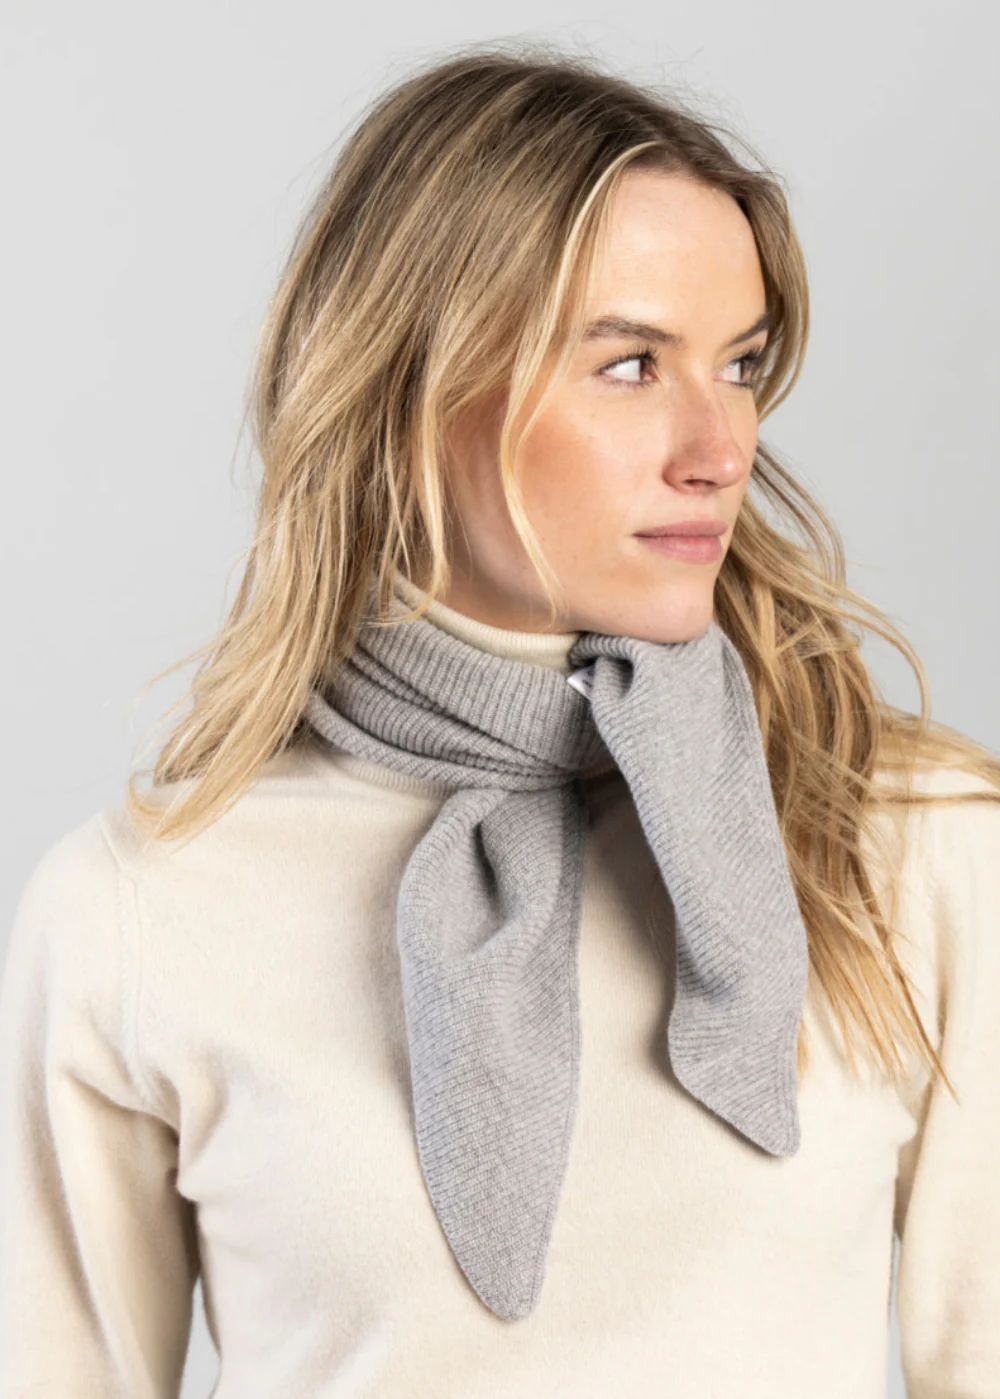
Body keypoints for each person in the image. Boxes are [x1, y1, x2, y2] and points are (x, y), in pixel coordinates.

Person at [1, 43, 998, 1399]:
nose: (721, 449)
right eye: (631, 364)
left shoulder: (916, 850)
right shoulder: (139, 908)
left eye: (741, 363)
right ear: (416, 389)